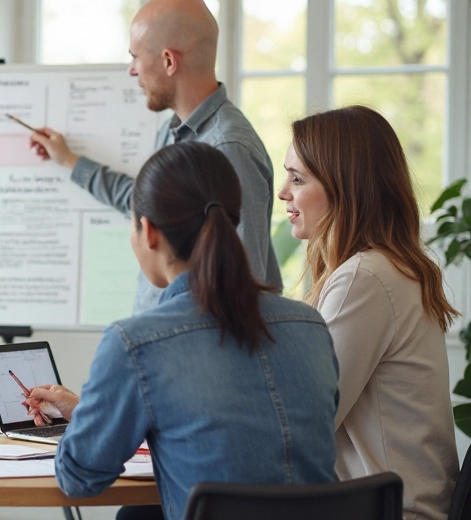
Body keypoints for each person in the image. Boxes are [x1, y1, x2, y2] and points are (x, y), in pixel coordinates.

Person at [31, 141, 338, 520]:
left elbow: (79, 478)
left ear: (149, 231)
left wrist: (94, 424)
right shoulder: (310, 326)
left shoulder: (135, 344)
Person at [30, 0, 280, 312]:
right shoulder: (171, 131)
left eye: (135, 56)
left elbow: (244, 284)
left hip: (194, 353)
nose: (131, 70)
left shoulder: (228, 149)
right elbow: (141, 205)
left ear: (168, 61)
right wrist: (69, 160)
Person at [278, 105, 459, 520]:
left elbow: (304, 422)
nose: (283, 191)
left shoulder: (365, 278)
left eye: (298, 178)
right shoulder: (382, 268)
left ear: (346, 188)